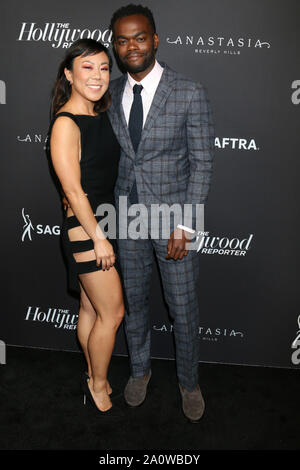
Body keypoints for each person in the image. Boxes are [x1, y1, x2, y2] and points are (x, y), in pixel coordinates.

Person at [108, 4, 215, 423]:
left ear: (155, 39)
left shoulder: (189, 91)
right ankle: (139, 371)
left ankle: (189, 383)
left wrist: (186, 225)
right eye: (122, 39)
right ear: (115, 45)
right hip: (125, 216)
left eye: (139, 37)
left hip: (174, 217)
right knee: (133, 303)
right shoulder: (111, 92)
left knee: (182, 307)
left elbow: (203, 163)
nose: (130, 46)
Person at [47, 39, 125, 415]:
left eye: (104, 68)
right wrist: (99, 239)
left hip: (103, 221)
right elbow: (73, 191)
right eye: (87, 67)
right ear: (69, 74)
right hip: (87, 228)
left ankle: (95, 372)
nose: (97, 76)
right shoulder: (65, 123)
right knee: (113, 313)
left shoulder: (100, 115)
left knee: (91, 310)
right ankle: (97, 384)